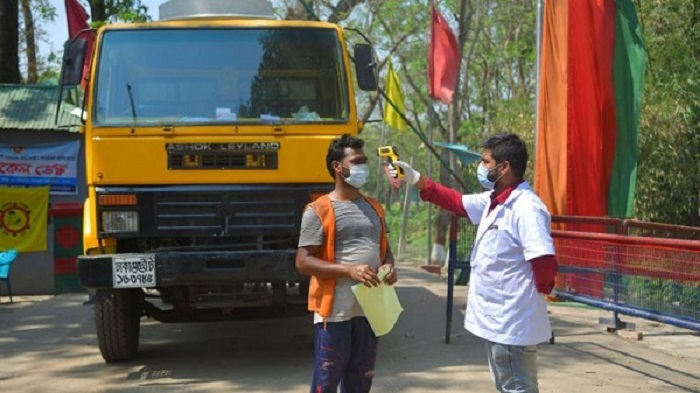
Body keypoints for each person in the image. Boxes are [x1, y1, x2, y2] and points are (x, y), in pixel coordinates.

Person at [392, 133, 557, 393]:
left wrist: (538, 292)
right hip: (498, 317)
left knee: (517, 386)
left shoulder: (527, 208)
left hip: (511, 317)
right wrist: (414, 178)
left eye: (486, 162)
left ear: (504, 168)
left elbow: (544, 261)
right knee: (506, 383)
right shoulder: (493, 200)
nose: (481, 168)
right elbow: (455, 201)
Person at [296, 133, 397, 393]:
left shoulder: (375, 208)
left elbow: (385, 250)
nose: (363, 166)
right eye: (357, 161)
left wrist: (389, 266)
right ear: (337, 167)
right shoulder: (318, 210)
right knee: (326, 382)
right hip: (335, 311)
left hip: (370, 311)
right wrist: (349, 270)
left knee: (360, 382)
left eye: (363, 161)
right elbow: (303, 261)